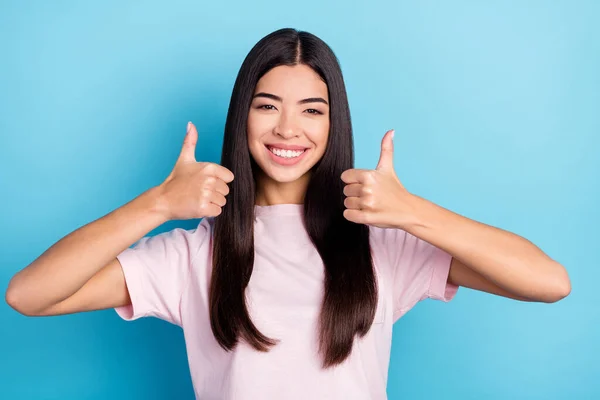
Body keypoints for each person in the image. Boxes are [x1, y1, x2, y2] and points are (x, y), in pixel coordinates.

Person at [5, 28, 571, 400]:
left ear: (333, 124)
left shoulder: (382, 247)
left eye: (311, 110)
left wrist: (411, 212)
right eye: (267, 106)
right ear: (243, 118)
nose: (287, 129)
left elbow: (549, 282)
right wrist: (156, 204)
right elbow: (28, 295)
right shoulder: (194, 254)